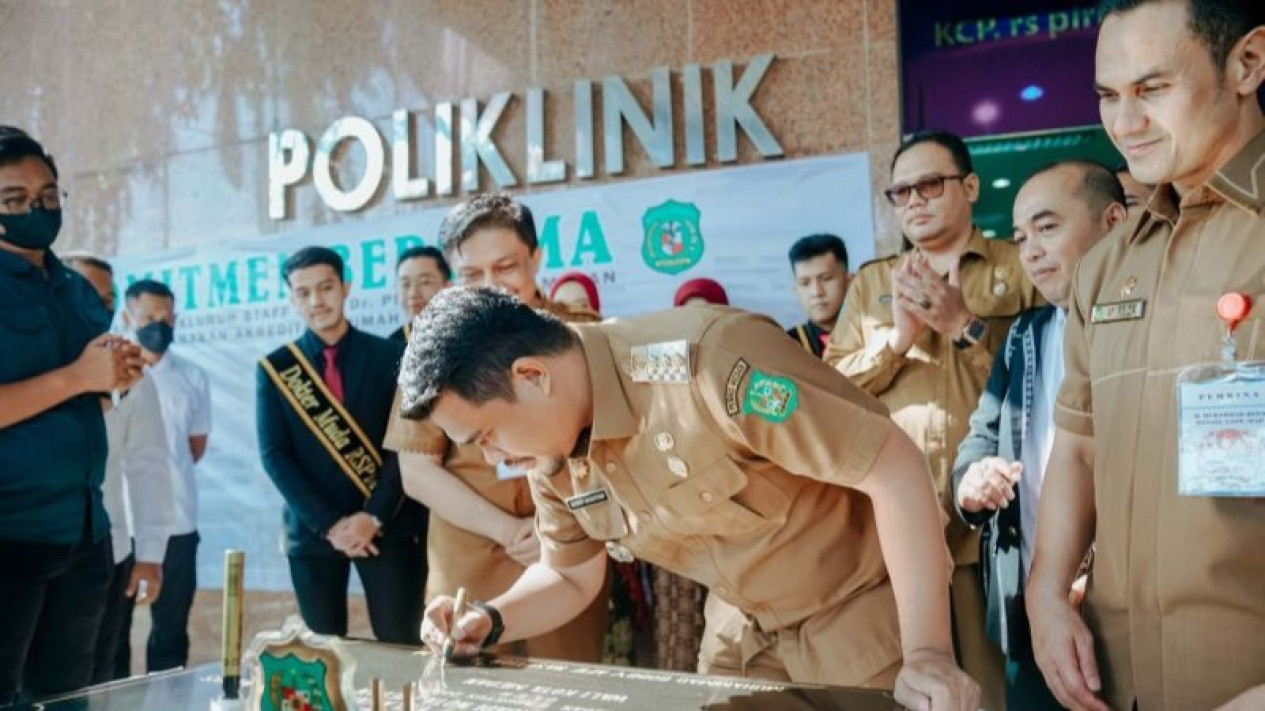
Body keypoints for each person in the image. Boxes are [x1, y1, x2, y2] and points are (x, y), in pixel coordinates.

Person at [406, 287, 980, 711]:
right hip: (741, 633)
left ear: (531, 375)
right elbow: (570, 577)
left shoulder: (709, 363)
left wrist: (928, 651)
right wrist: (490, 618)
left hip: (860, 621)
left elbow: (892, 466)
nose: (491, 457)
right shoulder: (554, 453)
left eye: (485, 435)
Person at [1028, 2, 1265, 710]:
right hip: (1114, 683)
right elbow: (1076, 448)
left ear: (1247, 63)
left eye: (1151, 89)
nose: (1122, 122)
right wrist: (1044, 592)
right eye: (1107, 95)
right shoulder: (1104, 268)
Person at [825, 129, 1040, 711]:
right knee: (910, 685)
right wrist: (897, 341)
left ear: (969, 186)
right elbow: (832, 391)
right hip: (894, 526)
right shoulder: (872, 283)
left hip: (994, 520)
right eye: (901, 192)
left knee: (995, 687)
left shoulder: (1018, 265)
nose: (914, 200)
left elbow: (1053, 370)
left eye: (929, 184)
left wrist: (964, 326)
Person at [383, 194, 610, 663]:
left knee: (569, 684)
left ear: (536, 259)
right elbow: (417, 470)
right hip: (471, 556)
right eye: (470, 275)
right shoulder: (437, 348)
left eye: (505, 266)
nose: (491, 286)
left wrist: (548, 537)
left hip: (571, 553)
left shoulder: (580, 335)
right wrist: (511, 532)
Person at [949, 161, 1126, 710]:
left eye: (1047, 228)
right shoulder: (1025, 335)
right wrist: (971, 481)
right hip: (1032, 609)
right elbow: (981, 436)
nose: (1029, 251)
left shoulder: (1146, 327)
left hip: (1129, 609)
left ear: (1114, 222)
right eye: (1020, 237)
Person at [0, 127, 145, 704]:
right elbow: (72, 382)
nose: (37, 208)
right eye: (14, 199)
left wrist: (117, 377)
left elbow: (94, 392)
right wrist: (77, 378)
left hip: (84, 531)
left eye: (48, 194)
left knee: (66, 698)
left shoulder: (75, 289)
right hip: (10, 534)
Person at [256, 247, 427, 644]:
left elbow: (404, 443)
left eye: (326, 287)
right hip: (315, 532)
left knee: (402, 642)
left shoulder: (390, 355)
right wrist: (331, 524)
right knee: (321, 652)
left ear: (346, 287)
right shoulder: (277, 369)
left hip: (388, 524)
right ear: (292, 298)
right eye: (304, 293)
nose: (317, 301)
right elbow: (274, 455)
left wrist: (373, 517)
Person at [66, 254, 174, 683]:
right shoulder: (21, 362)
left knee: (106, 674)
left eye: (107, 297)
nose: (98, 305)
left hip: (108, 551)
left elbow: (147, 466)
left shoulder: (129, 370)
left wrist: (149, 553)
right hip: (26, 551)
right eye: (86, 292)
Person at [119, 279, 211, 672]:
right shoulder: (111, 374)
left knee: (170, 631)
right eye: (148, 317)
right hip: (120, 525)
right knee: (110, 634)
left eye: (165, 317)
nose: (158, 325)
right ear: (127, 318)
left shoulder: (193, 376)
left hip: (178, 521)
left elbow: (196, 446)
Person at [786, 234, 851, 358]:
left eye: (826, 279)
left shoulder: (872, 334)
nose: (817, 292)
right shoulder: (787, 345)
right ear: (796, 290)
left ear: (849, 281)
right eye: (805, 283)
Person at [389, 245, 450, 343]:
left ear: (448, 288)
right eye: (405, 284)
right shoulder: (391, 346)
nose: (413, 293)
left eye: (425, 282)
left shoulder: (469, 336)